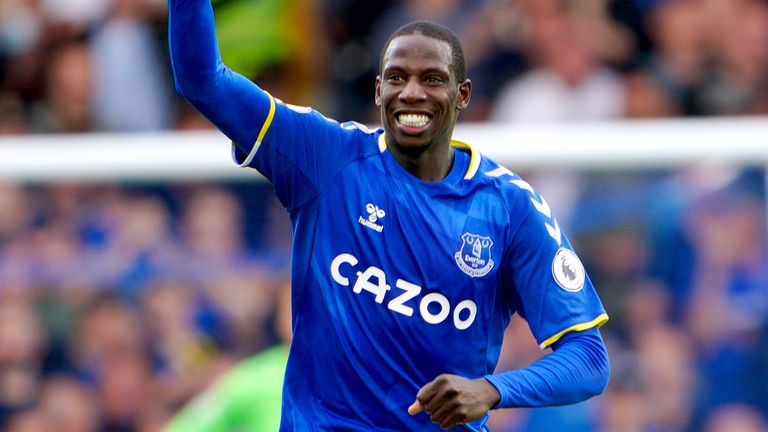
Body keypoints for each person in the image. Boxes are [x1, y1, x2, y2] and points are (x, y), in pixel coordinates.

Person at [168, 1, 611, 429]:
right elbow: (202, 79)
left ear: (463, 95)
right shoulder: (327, 157)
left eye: (432, 79)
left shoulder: (509, 208)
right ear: (379, 89)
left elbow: (588, 357)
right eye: (397, 77)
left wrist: (491, 390)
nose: (412, 92)